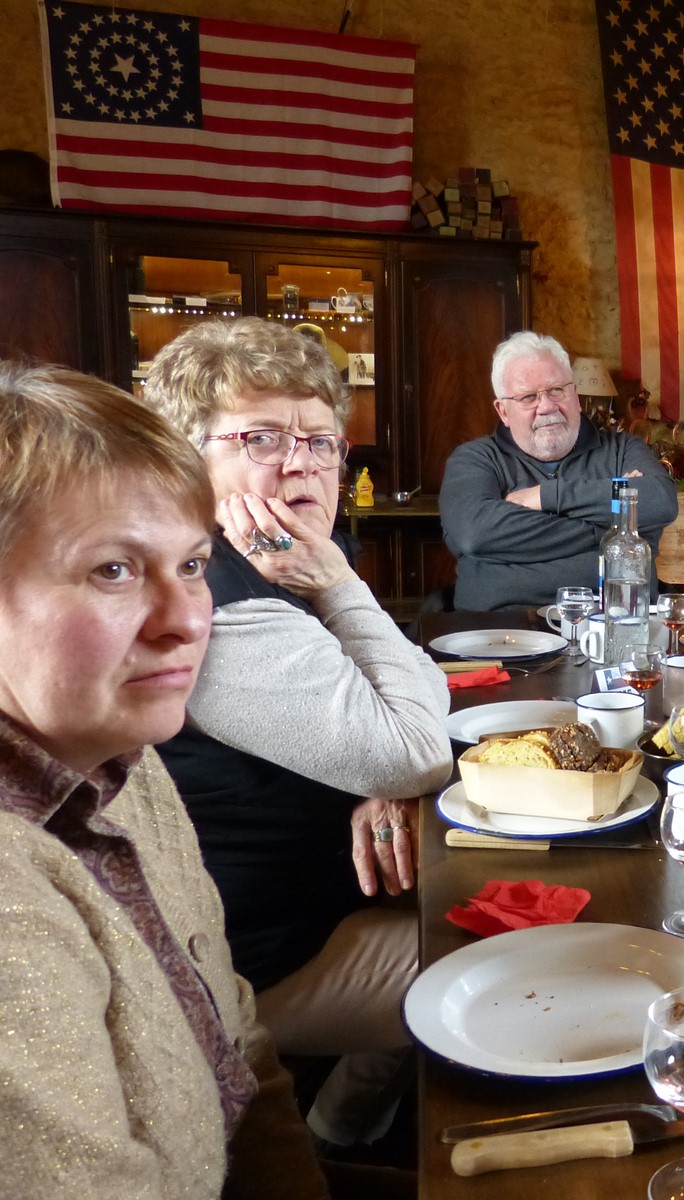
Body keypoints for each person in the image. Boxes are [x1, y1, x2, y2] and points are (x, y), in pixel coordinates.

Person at [0, 362, 327, 1198]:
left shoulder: (125, 761)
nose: (186, 621)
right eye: (113, 570)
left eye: (192, 565)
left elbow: (240, 1047)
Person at [139, 317, 453, 1149]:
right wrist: (345, 587)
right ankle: (346, 1144)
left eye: (321, 441)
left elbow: (422, 688)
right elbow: (418, 746)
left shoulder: (278, 559)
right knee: (486, 958)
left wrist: (381, 775)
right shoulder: (211, 596)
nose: (302, 462)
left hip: (313, 899)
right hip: (245, 960)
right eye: (262, 437)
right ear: (186, 458)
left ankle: (341, 1130)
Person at [440, 331, 677, 609]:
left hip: (613, 623)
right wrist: (614, 531)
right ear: (503, 411)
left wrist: (545, 496)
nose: (547, 406)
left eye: (556, 390)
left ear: (575, 395)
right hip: (502, 625)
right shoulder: (474, 460)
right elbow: (475, 534)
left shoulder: (623, 449)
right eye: (528, 397)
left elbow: (660, 501)